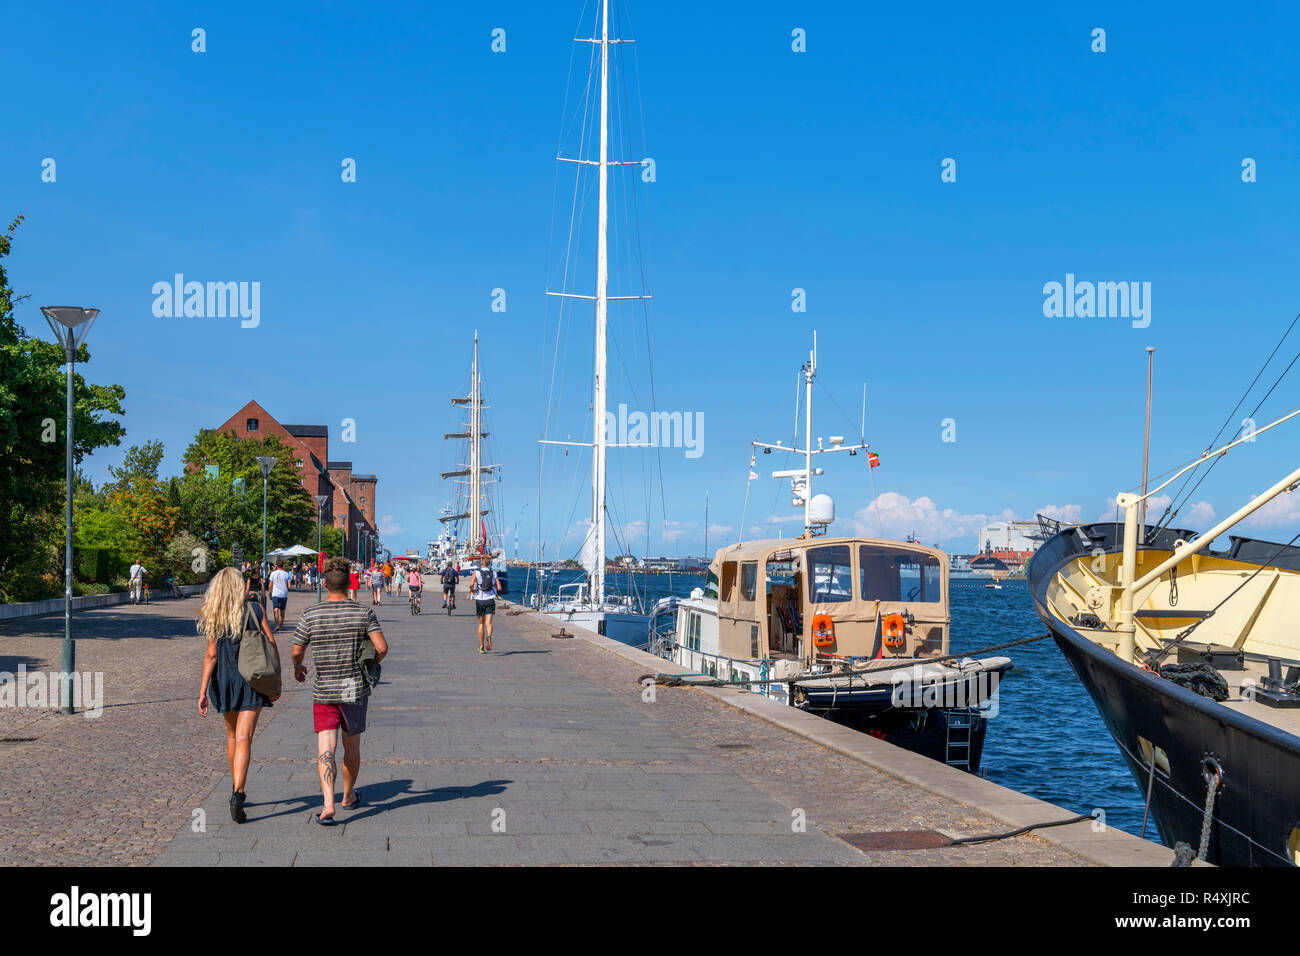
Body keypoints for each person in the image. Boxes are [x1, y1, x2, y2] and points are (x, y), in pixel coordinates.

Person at [291, 557, 387, 825]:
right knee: (351, 745)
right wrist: (370, 666)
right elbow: (381, 648)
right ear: (348, 584)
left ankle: (327, 803)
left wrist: (298, 668)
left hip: (324, 687)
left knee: (326, 747)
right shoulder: (362, 612)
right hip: (352, 687)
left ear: (325, 583)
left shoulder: (311, 614)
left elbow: (297, 650)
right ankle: (348, 796)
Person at [197, 566, 281, 824]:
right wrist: (277, 681)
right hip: (251, 679)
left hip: (224, 680)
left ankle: (235, 785)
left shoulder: (215, 614)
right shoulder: (255, 609)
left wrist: (201, 692)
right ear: (239, 586)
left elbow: (211, 654)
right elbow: (272, 643)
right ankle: (238, 792)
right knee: (245, 737)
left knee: (233, 736)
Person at [469, 555, 502, 653]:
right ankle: (489, 636)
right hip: (490, 600)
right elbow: (499, 588)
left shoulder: (476, 573)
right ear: (489, 564)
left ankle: (481, 647)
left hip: (480, 600)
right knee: (489, 623)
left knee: (481, 624)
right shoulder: (493, 573)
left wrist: (473, 590)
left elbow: (471, 584)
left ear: (481, 563)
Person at [268, 559, 291, 630]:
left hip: (275, 593)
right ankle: (281, 625)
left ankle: (277, 624)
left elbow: (270, 585)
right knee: (283, 609)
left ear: (276, 566)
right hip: (284, 594)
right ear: (283, 565)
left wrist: (270, 593)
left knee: (276, 608)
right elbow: (289, 586)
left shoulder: (273, 573)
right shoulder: (286, 574)